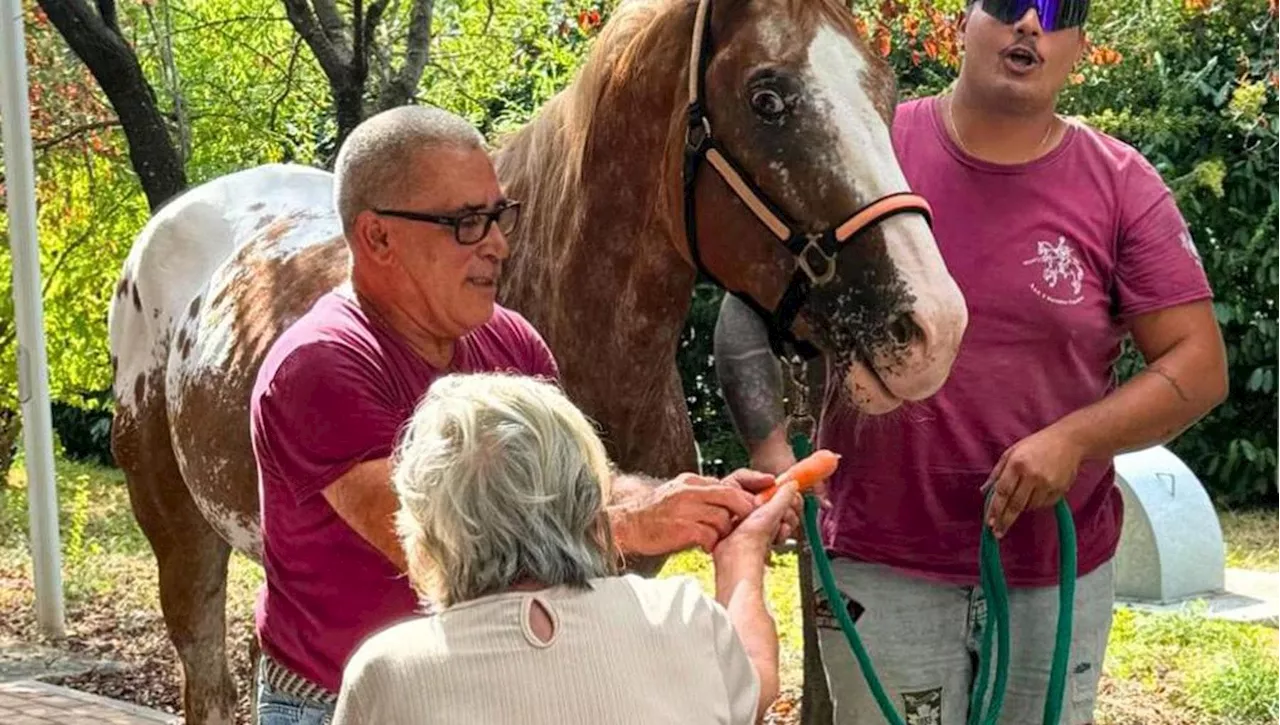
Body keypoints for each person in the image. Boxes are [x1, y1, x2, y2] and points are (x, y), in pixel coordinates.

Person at [711, 0, 1230, 723]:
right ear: (964, 22)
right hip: (879, 560)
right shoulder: (868, 149)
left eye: (1056, 11)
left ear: (1079, 46)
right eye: (1009, 3)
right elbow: (745, 309)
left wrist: (1074, 440)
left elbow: (1198, 364)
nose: (1029, 24)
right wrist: (777, 458)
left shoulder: (1121, 184)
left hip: (1053, 572)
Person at [250, 104, 791, 723]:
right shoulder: (318, 366)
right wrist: (640, 522)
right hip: (336, 700)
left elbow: (570, 483)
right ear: (377, 237)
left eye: (499, 215)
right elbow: (444, 539)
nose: (499, 245)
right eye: (467, 223)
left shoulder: (510, 340)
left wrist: (683, 499)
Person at [330, 372, 795, 724]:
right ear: (589, 500)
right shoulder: (678, 614)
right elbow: (754, 683)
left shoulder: (389, 672)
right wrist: (741, 556)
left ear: (427, 525)